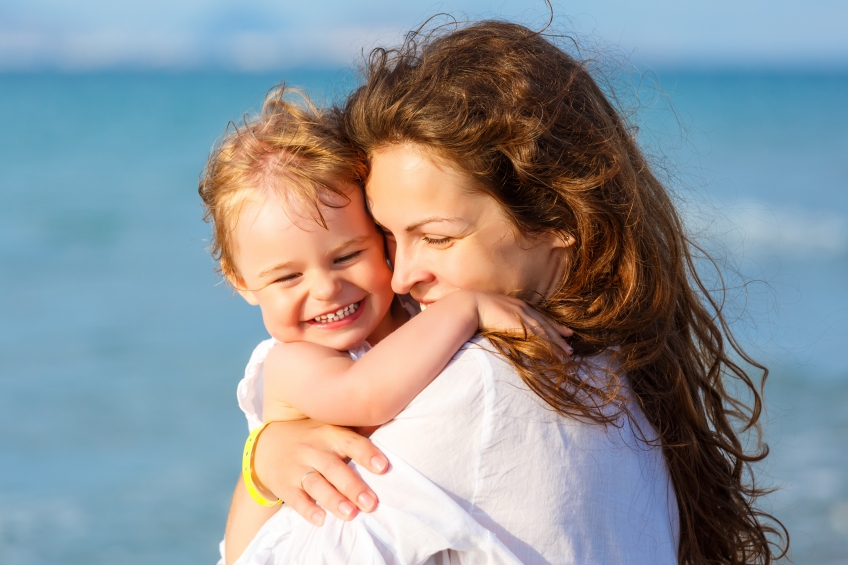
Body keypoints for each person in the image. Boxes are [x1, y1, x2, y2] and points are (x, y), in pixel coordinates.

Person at [244, 20, 786, 565]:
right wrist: (266, 455)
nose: (403, 275)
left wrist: (260, 469)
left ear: (558, 216)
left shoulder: (481, 388)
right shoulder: (620, 375)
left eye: (437, 237)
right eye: (386, 236)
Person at [198, 88, 571, 564]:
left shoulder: (412, 311)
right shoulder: (291, 362)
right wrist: (466, 308)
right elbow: (368, 397)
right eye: (288, 276)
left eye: (348, 255)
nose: (327, 289)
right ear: (243, 283)